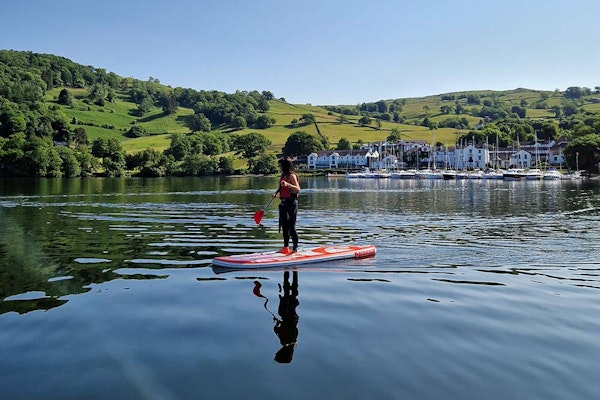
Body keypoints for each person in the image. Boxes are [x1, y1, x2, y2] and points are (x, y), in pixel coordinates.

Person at [274, 157, 300, 254]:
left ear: (284, 165)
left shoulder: (291, 176)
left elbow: (297, 189)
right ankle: (286, 247)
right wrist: (276, 193)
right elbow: (281, 187)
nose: (279, 167)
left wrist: (288, 185)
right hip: (283, 202)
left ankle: (295, 249)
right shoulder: (283, 175)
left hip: (292, 202)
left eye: (280, 165)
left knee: (291, 226)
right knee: (284, 225)